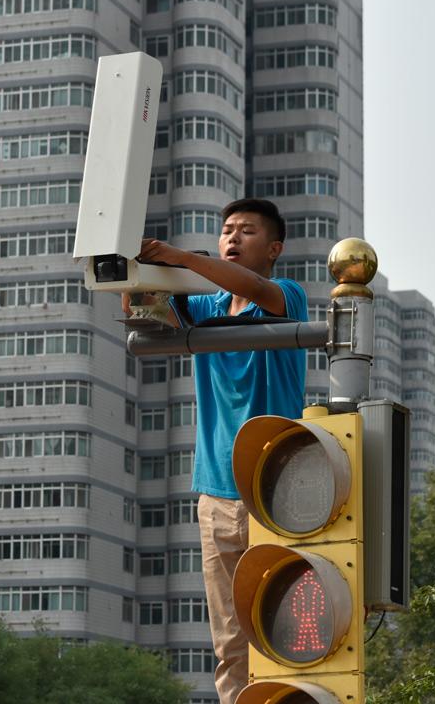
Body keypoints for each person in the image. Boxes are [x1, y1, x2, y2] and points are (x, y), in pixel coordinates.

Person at [122, 198, 307, 704]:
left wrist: (181, 257)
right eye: (227, 229)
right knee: (230, 642)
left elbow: (250, 288)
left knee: (284, 631)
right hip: (216, 497)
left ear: (274, 249)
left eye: (247, 231)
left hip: (276, 491)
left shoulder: (286, 295)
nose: (232, 237)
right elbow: (142, 309)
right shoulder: (203, 308)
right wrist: (133, 268)